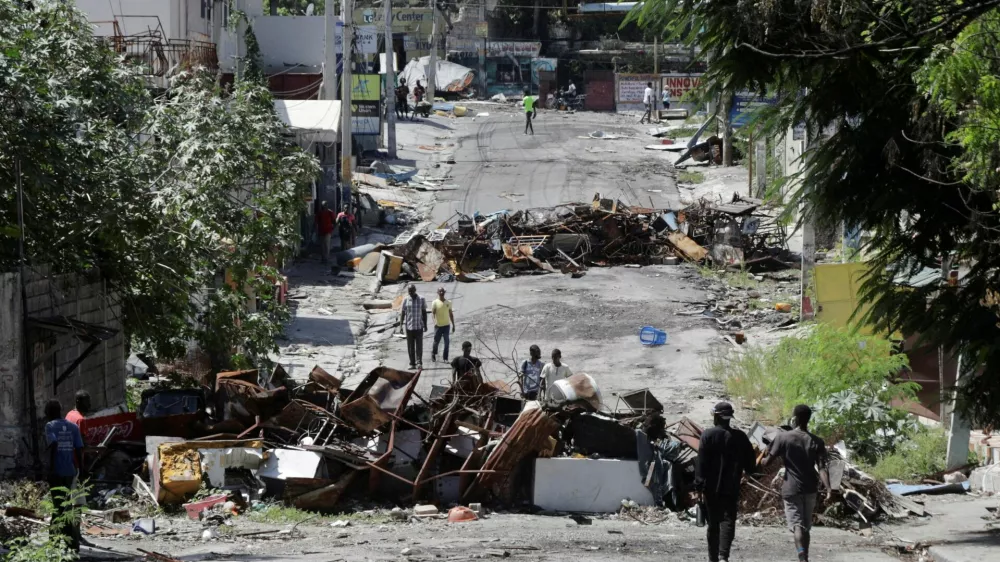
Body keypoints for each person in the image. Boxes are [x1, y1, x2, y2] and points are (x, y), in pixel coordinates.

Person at [762, 404, 831, 562]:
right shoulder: (817, 442)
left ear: (796, 418)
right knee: (806, 527)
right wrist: (828, 488)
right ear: (808, 419)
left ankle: (801, 556)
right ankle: (805, 557)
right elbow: (822, 468)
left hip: (791, 489)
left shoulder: (783, 437)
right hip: (810, 489)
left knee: (797, 526)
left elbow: (767, 463)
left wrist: (764, 456)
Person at [695, 402, 757, 562]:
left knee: (713, 524)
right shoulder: (740, 437)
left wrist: (699, 487)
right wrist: (748, 473)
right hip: (731, 487)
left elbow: (701, 463)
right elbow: (751, 463)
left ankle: (713, 558)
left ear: (716, 416)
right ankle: (723, 556)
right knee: (728, 520)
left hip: (710, 488)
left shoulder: (707, 435)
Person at [44, 399, 84, 552]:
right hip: (71, 472)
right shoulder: (72, 427)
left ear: (49, 413)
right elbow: (79, 449)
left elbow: (53, 444)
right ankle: (71, 545)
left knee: (57, 508)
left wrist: (51, 469)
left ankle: (55, 544)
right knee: (67, 506)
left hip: (58, 472)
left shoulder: (50, 426)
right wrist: (82, 470)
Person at [399, 285, 427, 369]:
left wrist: (425, 325)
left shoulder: (421, 299)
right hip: (409, 327)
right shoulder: (406, 300)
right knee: (410, 346)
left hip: (419, 327)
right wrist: (400, 326)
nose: (410, 293)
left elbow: (424, 313)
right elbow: (403, 313)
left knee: (419, 346)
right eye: (409, 291)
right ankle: (412, 363)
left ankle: (419, 363)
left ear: (415, 290)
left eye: (412, 291)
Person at [431, 287, 455, 362]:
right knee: (436, 342)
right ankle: (433, 353)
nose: (441, 293)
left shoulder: (448, 302)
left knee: (446, 342)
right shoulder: (435, 302)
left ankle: (445, 358)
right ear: (438, 293)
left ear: (444, 293)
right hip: (438, 326)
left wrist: (453, 325)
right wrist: (434, 322)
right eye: (440, 292)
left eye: (443, 292)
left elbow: (451, 314)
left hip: (446, 326)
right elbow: (433, 314)